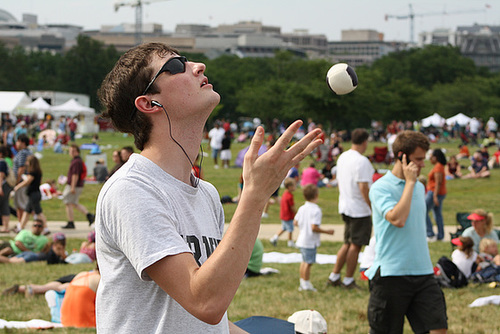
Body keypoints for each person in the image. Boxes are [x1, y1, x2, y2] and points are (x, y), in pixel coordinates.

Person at [95, 42, 322, 333]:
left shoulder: (206, 194)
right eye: (176, 67)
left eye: (187, 60)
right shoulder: (132, 190)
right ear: (149, 103)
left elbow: (203, 320)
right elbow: (204, 302)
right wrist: (254, 196)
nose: (198, 66)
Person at [366, 130, 447, 334]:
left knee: (438, 329)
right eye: (418, 159)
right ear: (402, 156)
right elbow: (398, 219)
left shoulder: (419, 188)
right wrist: (409, 183)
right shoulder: (380, 188)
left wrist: (413, 184)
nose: (422, 164)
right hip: (391, 274)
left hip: (423, 272)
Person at [327, 128, 374, 290]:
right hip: (359, 208)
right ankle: (348, 280)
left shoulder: (343, 157)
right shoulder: (362, 161)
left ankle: (334, 275)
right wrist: (372, 206)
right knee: (356, 245)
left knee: (347, 243)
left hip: (346, 205)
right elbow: (364, 187)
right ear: (365, 142)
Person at [294, 184, 334, 291]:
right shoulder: (316, 210)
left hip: (302, 238)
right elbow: (314, 227)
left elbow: (295, 222)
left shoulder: (302, 208)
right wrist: (327, 232)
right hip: (310, 240)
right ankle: (306, 284)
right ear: (316, 195)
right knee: (308, 263)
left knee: (304, 261)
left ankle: (303, 282)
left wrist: (303, 226)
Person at [61, 144, 95, 229]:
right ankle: (89, 215)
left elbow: (75, 175)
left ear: (77, 152)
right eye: (70, 151)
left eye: (73, 151)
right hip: (78, 185)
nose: (71, 153)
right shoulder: (78, 161)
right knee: (74, 203)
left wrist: (72, 187)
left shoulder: (76, 162)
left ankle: (71, 222)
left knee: (68, 202)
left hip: (74, 185)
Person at [14, 155, 48, 232]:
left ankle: (45, 228)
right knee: (26, 212)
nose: (26, 163)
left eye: (27, 162)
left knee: (38, 212)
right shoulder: (38, 171)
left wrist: (18, 186)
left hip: (34, 194)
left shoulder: (33, 172)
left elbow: (28, 181)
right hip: (34, 194)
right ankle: (20, 227)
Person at [426, 149, 447, 242]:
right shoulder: (440, 166)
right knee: (437, 214)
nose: (430, 158)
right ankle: (440, 235)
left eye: (431, 156)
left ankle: (430, 233)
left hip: (435, 192)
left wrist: (434, 196)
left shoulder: (438, 167)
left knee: (423, 211)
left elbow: (438, 182)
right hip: (440, 192)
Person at [270, 177, 296, 247]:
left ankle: (274, 238)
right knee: (290, 229)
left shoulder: (285, 194)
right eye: (294, 185)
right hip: (288, 216)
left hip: (283, 215)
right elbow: (292, 207)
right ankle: (290, 242)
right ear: (289, 187)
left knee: (284, 228)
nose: (295, 187)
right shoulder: (289, 196)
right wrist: (296, 213)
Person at [12, 134, 32, 226]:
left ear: (22, 142)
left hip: (21, 182)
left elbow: (21, 168)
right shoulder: (29, 152)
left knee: (20, 205)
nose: (16, 144)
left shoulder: (22, 153)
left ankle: (21, 224)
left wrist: (16, 181)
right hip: (26, 182)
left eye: (17, 141)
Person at [0, 145, 13, 233]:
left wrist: (0, 187)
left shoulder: (1, 162)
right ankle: (5, 226)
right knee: (4, 205)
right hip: (6, 186)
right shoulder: (4, 161)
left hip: (3, 186)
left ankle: (5, 226)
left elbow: (1, 175)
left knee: (4, 205)